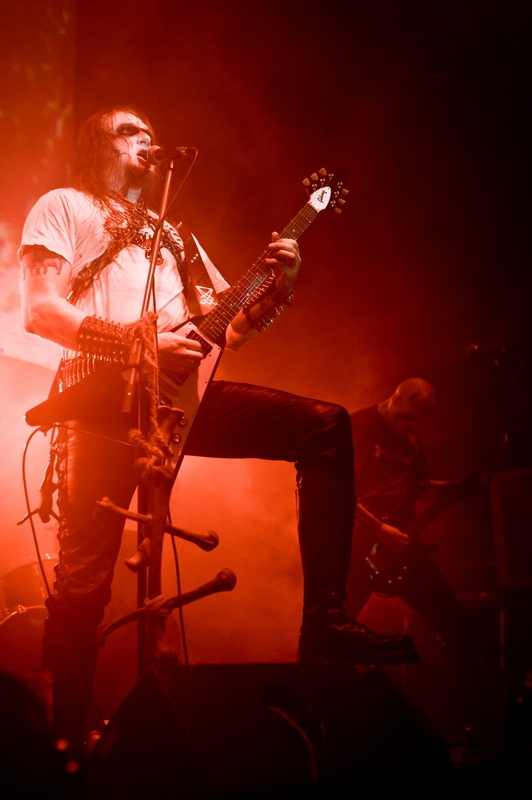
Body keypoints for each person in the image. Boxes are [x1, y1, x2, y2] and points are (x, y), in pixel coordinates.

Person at [19, 105, 417, 753]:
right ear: (98, 147)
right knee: (84, 583)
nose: (147, 140)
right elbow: (40, 312)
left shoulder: (176, 236)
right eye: (130, 132)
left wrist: (279, 288)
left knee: (324, 426)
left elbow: (226, 329)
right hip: (100, 396)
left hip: (179, 401)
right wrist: (136, 342)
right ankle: (59, 746)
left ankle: (323, 619)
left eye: (152, 131)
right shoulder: (64, 205)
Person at [345, 377, 493, 740]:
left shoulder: (410, 439)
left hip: (401, 550)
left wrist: (458, 489)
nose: (413, 428)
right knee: (333, 634)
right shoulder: (357, 426)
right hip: (355, 549)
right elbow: (338, 493)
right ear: (397, 398)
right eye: (410, 417)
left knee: (458, 627)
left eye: (420, 422)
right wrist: (378, 530)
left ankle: (477, 730)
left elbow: (420, 485)